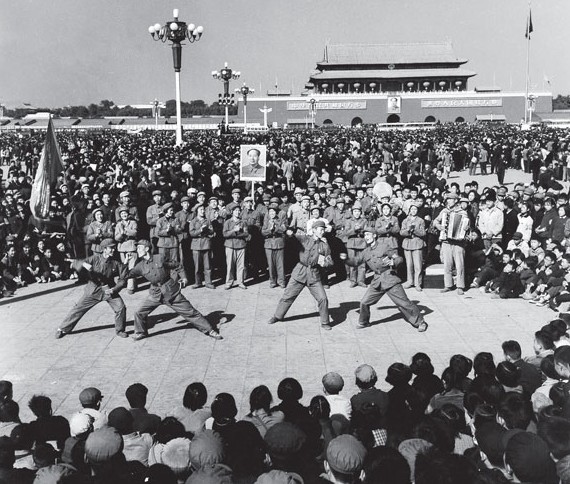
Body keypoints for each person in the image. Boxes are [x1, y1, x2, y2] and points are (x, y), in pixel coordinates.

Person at [127, 240, 222, 341]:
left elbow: (177, 266)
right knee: (139, 312)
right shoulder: (140, 266)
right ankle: (141, 332)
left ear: (146, 249)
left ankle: (210, 330)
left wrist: (184, 278)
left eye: (139, 248)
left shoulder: (160, 258)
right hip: (155, 294)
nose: (137, 250)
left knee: (190, 312)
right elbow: (127, 275)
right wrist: (126, 263)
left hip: (171, 292)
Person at [341, 227, 428, 331]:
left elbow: (399, 258)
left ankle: (420, 322)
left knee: (404, 303)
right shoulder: (366, 251)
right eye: (365, 235)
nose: (366, 237)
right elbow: (355, 262)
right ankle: (364, 322)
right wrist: (345, 259)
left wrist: (393, 262)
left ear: (374, 235)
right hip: (377, 281)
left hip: (390, 279)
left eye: (368, 235)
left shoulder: (384, 247)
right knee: (364, 302)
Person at [55, 239, 128, 339]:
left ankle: (120, 330)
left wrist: (115, 289)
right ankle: (62, 329)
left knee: (121, 308)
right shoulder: (94, 258)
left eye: (114, 247)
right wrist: (84, 265)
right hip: (93, 290)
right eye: (111, 248)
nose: (113, 250)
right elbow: (77, 262)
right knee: (78, 309)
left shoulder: (116, 262)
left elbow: (123, 278)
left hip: (109, 290)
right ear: (104, 249)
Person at [268, 220, 334, 330]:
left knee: (323, 299)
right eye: (320, 229)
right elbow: (292, 237)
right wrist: (287, 231)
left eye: (323, 230)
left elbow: (330, 262)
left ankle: (325, 322)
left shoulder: (324, 246)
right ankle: (277, 316)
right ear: (313, 230)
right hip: (300, 272)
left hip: (314, 275)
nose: (323, 232)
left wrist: (325, 263)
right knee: (288, 296)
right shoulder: (305, 239)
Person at [433, 192, 471, 295]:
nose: (448, 201)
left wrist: (465, 228)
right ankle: (448, 285)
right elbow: (435, 221)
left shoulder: (462, 212)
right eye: (447, 199)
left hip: (458, 243)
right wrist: (439, 226)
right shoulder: (444, 211)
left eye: (450, 199)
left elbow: (467, 226)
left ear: (455, 201)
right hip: (446, 241)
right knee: (447, 264)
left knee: (460, 265)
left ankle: (460, 286)